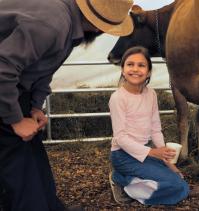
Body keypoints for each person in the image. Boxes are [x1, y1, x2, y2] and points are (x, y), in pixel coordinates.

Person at [0, 0, 134, 210]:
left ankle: (50, 206)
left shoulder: (67, 23)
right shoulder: (52, 23)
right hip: (4, 84)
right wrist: (14, 120)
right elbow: (3, 68)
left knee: (33, 154)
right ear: (98, 25)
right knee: (18, 163)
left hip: (12, 87)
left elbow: (44, 69)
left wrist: (35, 106)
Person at [109, 46, 190, 205]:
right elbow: (120, 138)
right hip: (123, 156)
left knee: (177, 177)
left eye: (141, 65)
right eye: (130, 64)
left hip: (144, 152)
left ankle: (127, 179)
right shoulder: (118, 98)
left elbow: (155, 128)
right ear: (123, 69)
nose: (135, 69)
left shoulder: (151, 94)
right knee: (180, 187)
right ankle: (123, 184)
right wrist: (154, 152)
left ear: (149, 72)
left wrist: (167, 160)